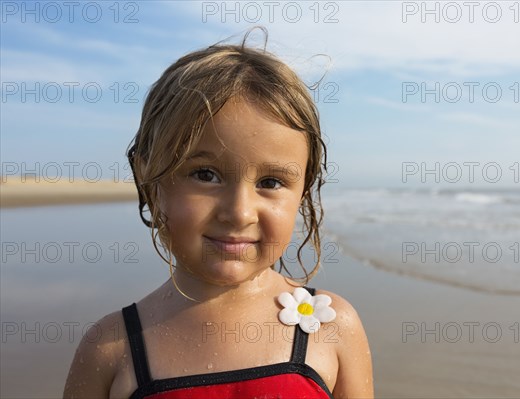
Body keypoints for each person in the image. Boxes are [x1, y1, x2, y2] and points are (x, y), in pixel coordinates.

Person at [63, 29, 373, 398]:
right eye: (205, 174)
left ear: (303, 190)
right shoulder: (112, 347)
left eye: (271, 182)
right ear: (149, 179)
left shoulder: (332, 326)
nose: (239, 212)